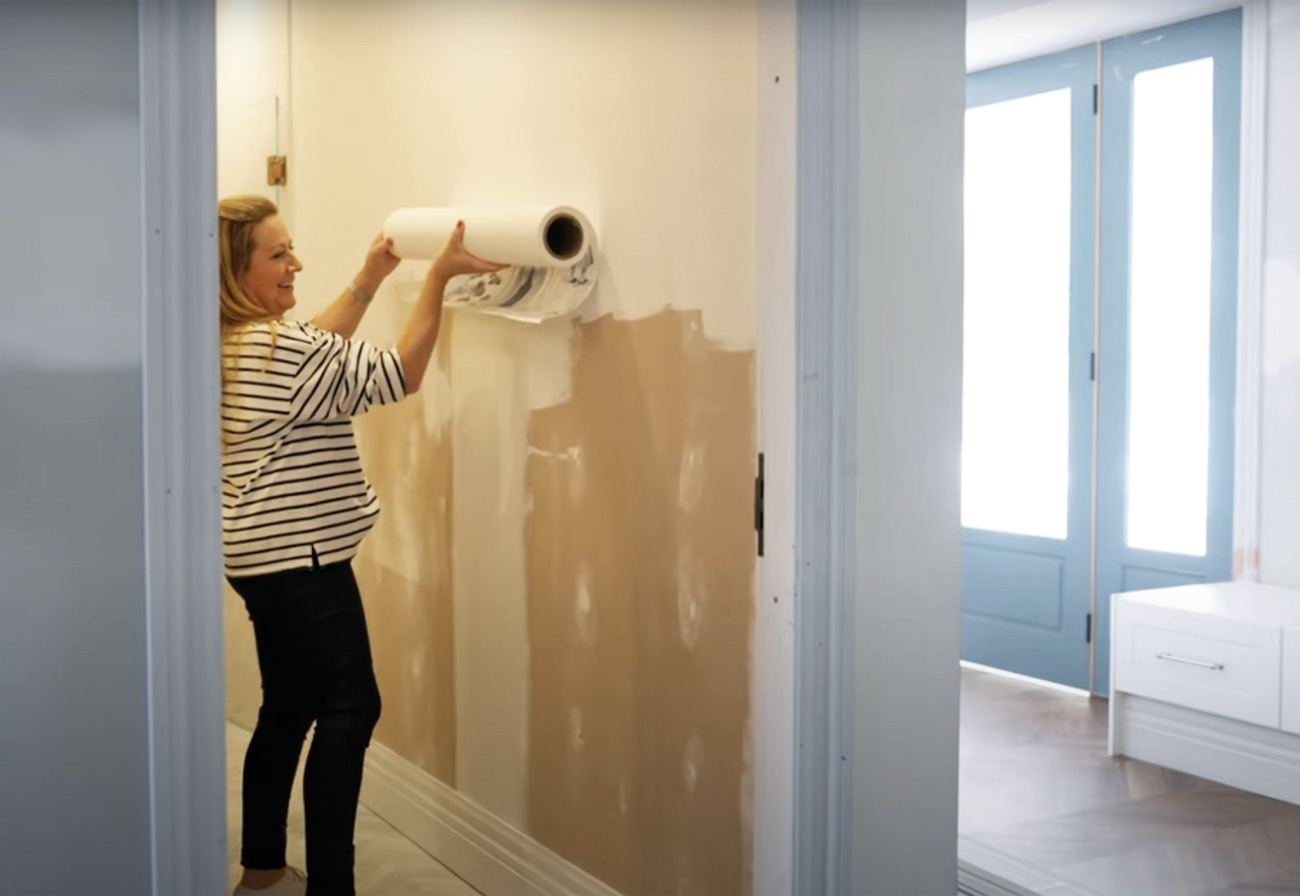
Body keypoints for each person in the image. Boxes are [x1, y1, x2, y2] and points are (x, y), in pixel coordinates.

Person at [218, 195, 503, 896]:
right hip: (303, 560)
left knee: (287, 706)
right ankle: (332, 887)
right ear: (234, 270)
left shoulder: (235, 343)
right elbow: (399, 373)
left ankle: (261, 870)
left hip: (260, 560)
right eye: (277, 254)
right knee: (352, 707)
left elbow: (310, 354)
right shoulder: (282, 351)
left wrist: (372, 277)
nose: (295, 264)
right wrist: (437, 280)